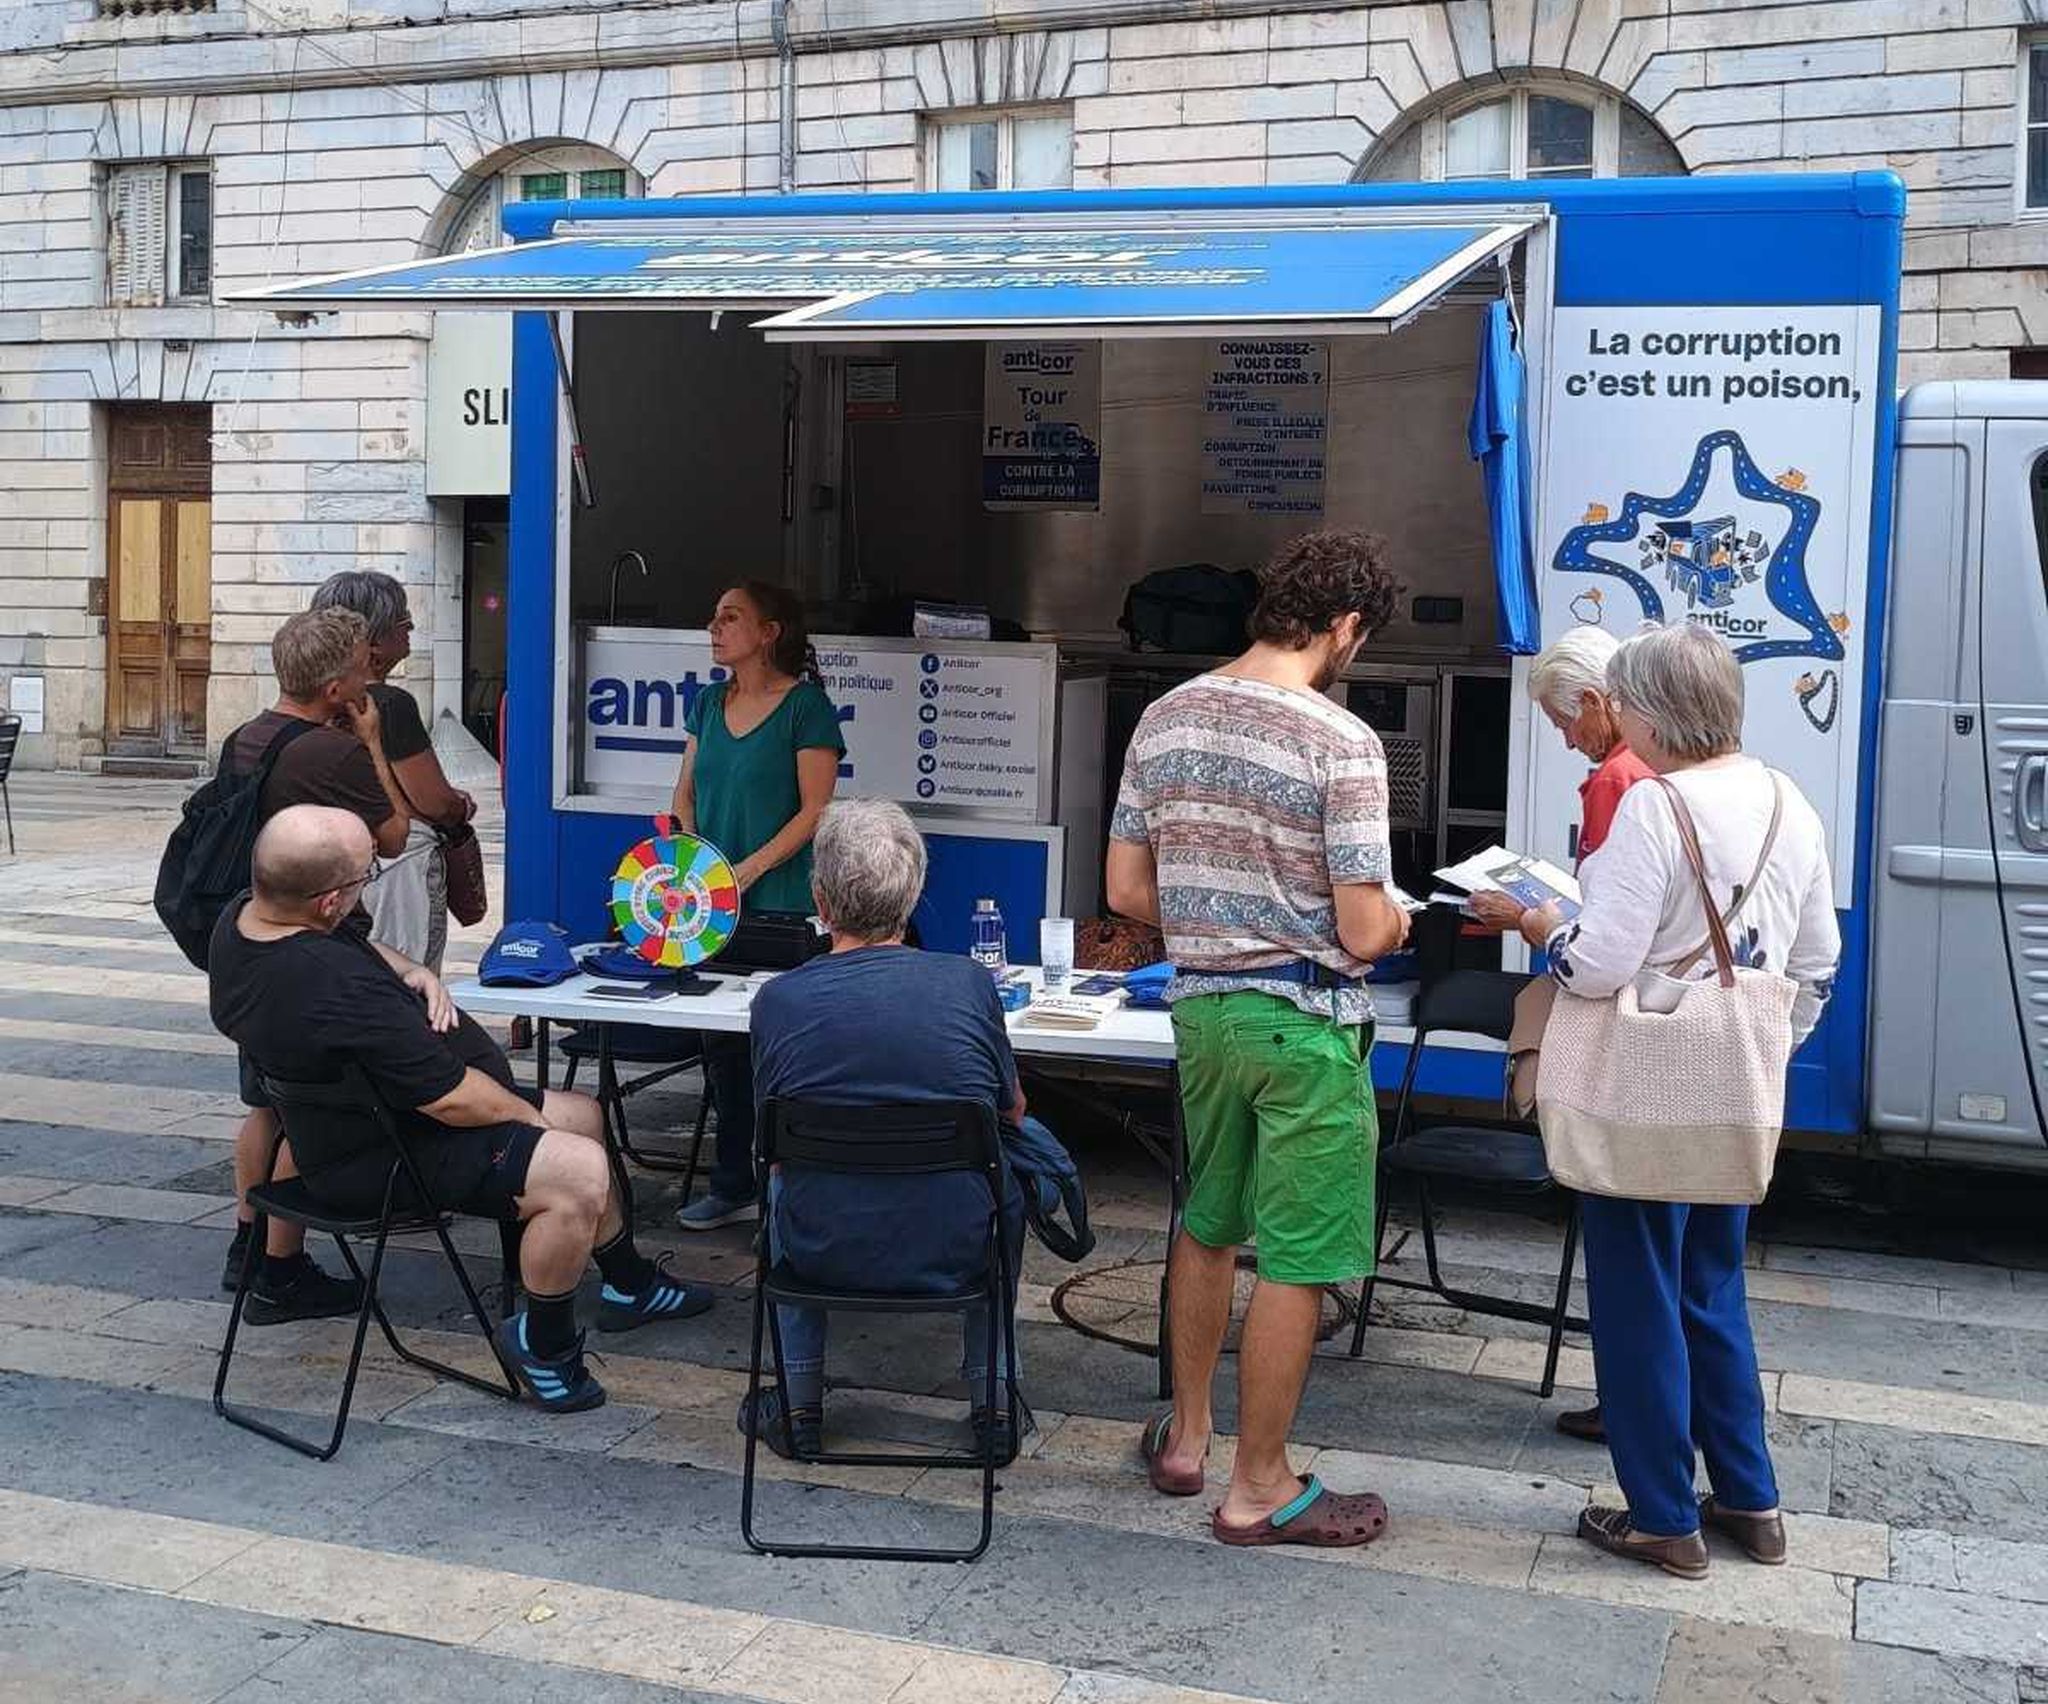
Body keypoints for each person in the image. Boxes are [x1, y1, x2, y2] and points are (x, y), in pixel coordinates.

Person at [1106, 529, 1411, 1548]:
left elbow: (1124, 891)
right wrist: (1397, 920)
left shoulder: (1164, 714)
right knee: (1295, 1257)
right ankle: (1258, 1484)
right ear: (1346, 627)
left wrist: (1212, 916)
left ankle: (1188, 1436)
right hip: (1303, 1022)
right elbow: (1365, 928)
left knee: (1207, 1221)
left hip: (1200, 1010)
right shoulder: (1340, 741)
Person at [209, 806, 711, 1411]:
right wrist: (525, 1120)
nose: (372, 878)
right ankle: (544, 1343)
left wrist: (415, 971)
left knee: (583, 1115)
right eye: (367, 874)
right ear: (328, 901)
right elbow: (451, 1100)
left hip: (362, 1124)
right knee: (577, 1167)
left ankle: (629, 1284)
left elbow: (355, 945)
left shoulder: (245, 920)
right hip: (384, 1160)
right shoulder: (333, 985)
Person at [1524, 624, 1839, 1578]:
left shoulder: (1656, 808)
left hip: (1644, 1092)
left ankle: (1663, 1514)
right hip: (1734, 1092)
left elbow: (1600, 964)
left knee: (1636, 1299)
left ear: (1651, 714)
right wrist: (1761, 1049)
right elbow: (1817, 964)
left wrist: (1547, 929)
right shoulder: (1791, 800)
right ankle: (1751, 1499)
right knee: (1712, 1289)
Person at [736, 798, 1034, 1460]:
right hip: (958, 1247)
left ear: (820, 897)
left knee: (789, 1187)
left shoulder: (778, 1001)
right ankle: (993, 1402)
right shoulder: (969, 985)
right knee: (1000, 1186)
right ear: (915, 892)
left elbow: (771, 1154)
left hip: (820, 1248)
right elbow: (1011, 1109)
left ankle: (799, 1401)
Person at [1466, 623, 1654, 1446]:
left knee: (1624, 1246)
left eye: (1562, 722)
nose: (1565, 739)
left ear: (1592, 702)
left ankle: (1633, 1406)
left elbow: (1607, 930)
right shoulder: (1651, 771)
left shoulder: (1617, 780)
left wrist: (1531, 917)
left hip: (1609, 1021)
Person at [217, 607, 412, 1320]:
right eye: (363, 662)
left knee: (266, 1099)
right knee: (312, 1110)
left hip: (251, 937)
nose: (372, 672)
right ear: (335, 688)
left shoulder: (247, 738)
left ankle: (248, 1242)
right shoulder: (332, 753)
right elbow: (393, 835)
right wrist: (372, 744)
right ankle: (281, 1271)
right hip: (317, 950)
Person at [669, 582, 845, 1232]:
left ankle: (790, 1193)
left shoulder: (806, 708)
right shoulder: (708, 703)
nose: (714, 627)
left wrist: (746, 871)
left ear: (769, 632)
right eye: (714, 616)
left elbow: (817, 810)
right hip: (709, 910)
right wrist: (691, 859)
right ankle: (733, 1181)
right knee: (724, 1052)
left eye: (730, 617)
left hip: (783, 906)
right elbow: (684, 792)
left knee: (784, 1050)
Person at [311, 570, 476, 976]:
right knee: (409, 983)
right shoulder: (389, 704)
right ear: (374, 642)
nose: (412, 629)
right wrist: (459, 806)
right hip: (397, 867)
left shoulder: (314, 704)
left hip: (328, 868)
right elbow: (432, 801)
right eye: (403, 621)